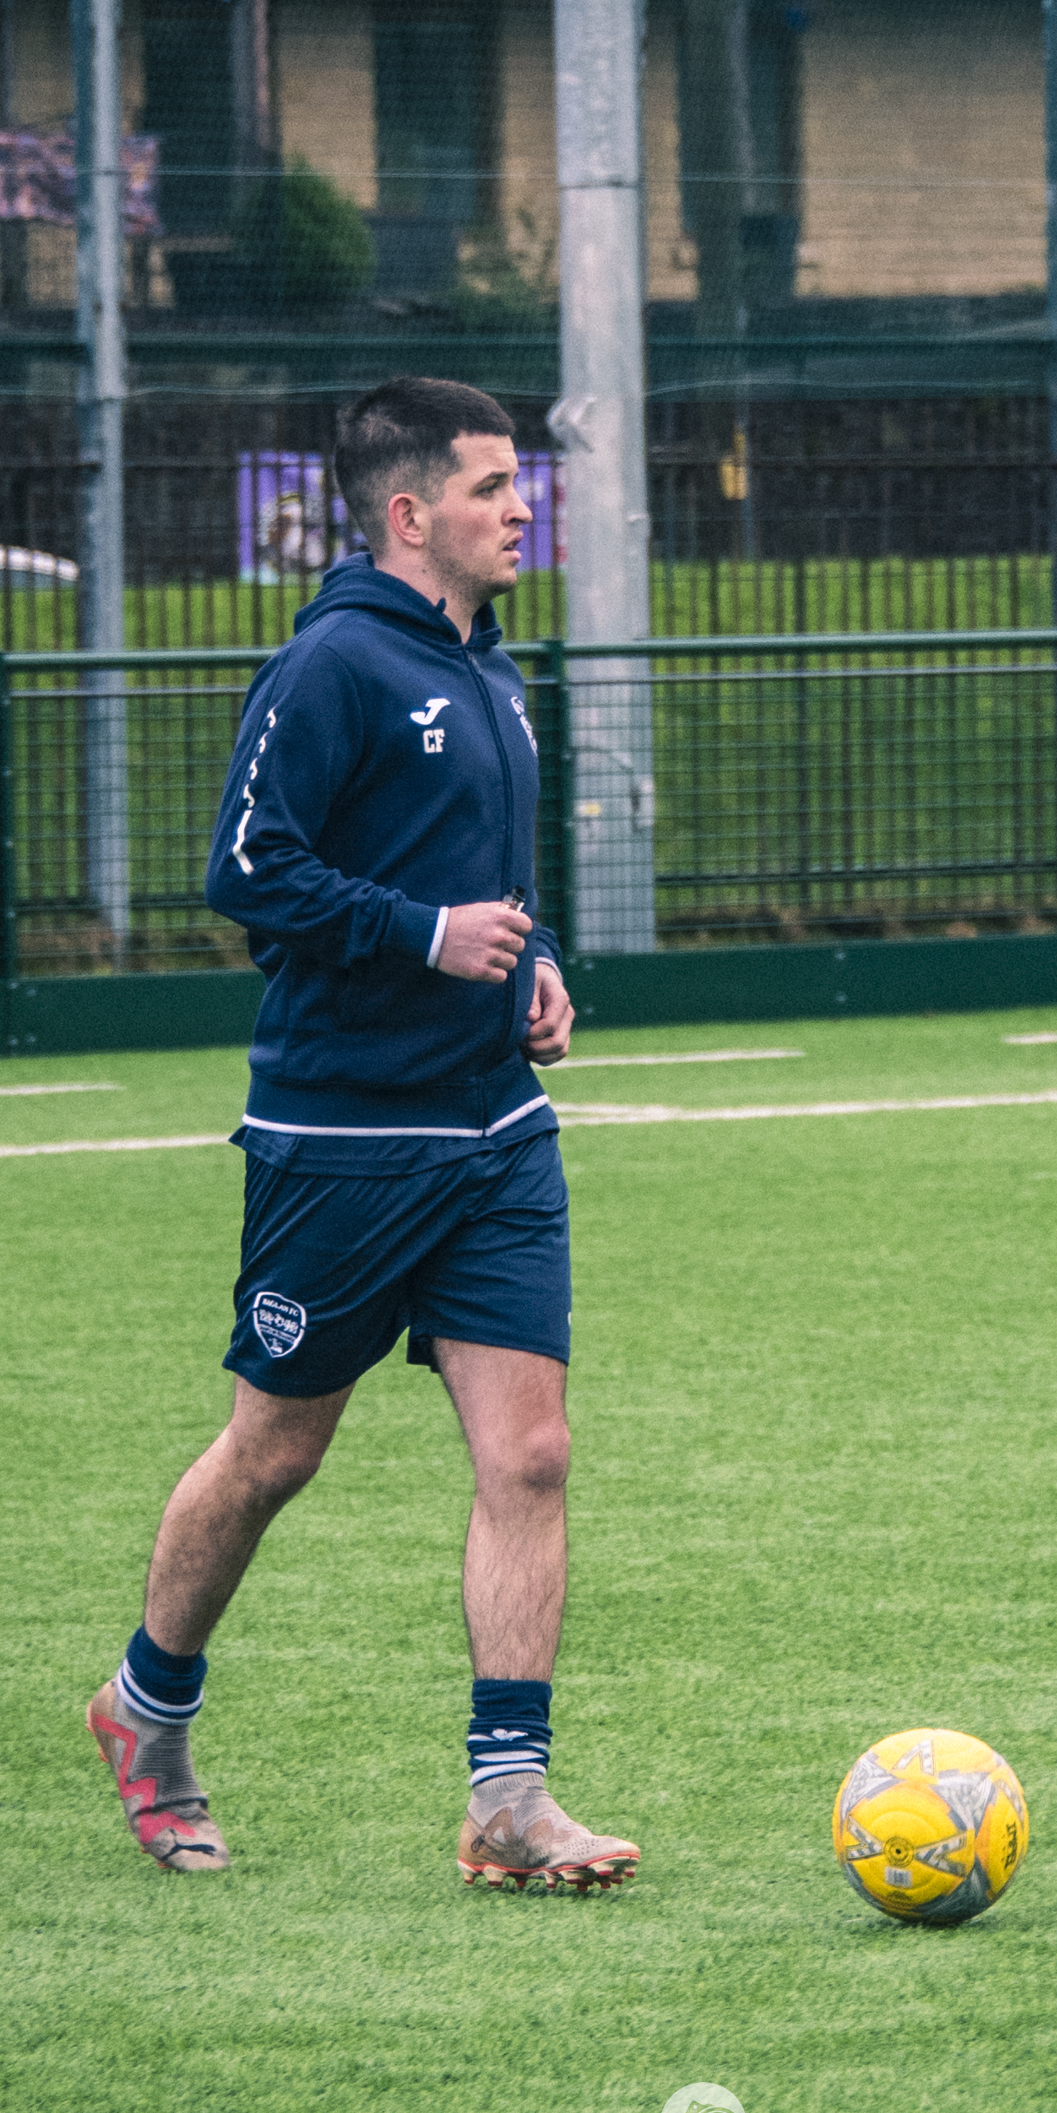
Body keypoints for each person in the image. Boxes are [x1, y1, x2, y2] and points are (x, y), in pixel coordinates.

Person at [87, 376, 637, 1895]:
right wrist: (423, 933)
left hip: (495, 1134)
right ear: (410, 514)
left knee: (530, 1455)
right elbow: (247, 869)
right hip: (341, 1136)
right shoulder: (330, 663)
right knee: (275, 1452)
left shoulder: (491, 668)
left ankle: (510, 1802)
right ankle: (147, 1713)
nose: (520, 508)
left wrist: (527, 964)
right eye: (488, 488)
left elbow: (482, 884)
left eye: (519, 482)